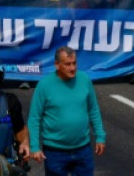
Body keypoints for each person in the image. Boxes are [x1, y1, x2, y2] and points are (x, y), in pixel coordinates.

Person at [28, 46, 106, 176]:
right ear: (57, 65)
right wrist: (35, 147)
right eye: (67, 64)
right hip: (55, 152)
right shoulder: (44, 86)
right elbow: (34, 118)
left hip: (83, 149)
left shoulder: (84, 80)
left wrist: (100, 136)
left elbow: (93, 110)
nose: (72, 68)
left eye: (74, 63)